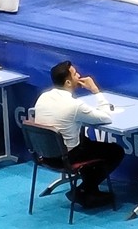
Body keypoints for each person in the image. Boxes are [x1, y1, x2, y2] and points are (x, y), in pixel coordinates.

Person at [32, 60, 124, 207]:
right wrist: (95, 90)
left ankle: (91, 191)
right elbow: (106, 117)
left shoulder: (43, 98)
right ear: (68, 82)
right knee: (115, 151)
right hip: (66, 157)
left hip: (44, 154)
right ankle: (83, 190)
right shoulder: (74, 106)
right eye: (75, 74)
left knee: (85, 140)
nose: (79, 75)